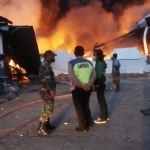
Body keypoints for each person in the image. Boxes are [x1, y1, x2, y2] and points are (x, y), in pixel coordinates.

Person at [68, 46, 96, 132]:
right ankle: (89, 123)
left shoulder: (71, 63)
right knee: (86, 105)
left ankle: (82, 126)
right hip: (88, 88)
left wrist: (81, 85)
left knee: (79, 107)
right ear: (83, 53)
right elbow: (94, 75)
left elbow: (71, 76)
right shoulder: (89, 63)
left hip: (77, 88)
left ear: (74, 53)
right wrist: (88, 84)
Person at [37, 50, 57, 136]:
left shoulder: (47, 65)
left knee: (50, 107)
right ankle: (41, 128)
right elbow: (47, 79)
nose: (53, 58)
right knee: (47, 109)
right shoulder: (44, 65)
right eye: (52, 56)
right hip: (46, 90)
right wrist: (51, 90)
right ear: (48, 56)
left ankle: (47, 124)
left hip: (47, 90)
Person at [93, 50, 108, 124]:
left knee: (100, 100)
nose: (94, 56)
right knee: (102, 100)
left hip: (100, 83)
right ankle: (105, 115)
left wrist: (94, 83)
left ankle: (103, 117)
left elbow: (98, 75)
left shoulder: (99, 64)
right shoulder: (102, 63)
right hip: (103, 82)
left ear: (98, 56)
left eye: (95, 55)